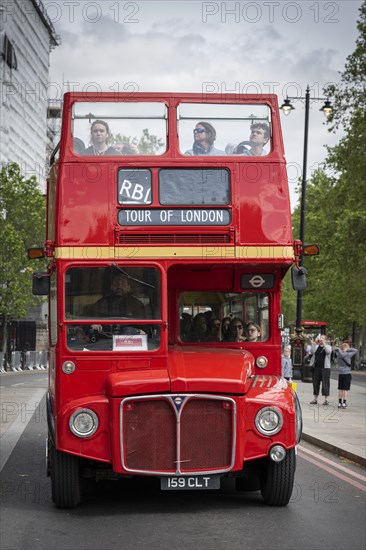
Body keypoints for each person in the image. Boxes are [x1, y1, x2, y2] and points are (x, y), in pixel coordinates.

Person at [309, 335, 332, 406]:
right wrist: (315, 343)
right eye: (320, 338)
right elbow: (312, 351)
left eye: (323, 338)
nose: (321, 339)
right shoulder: (316, 346)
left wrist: (324, 344)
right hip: (316, 368)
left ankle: (326, 400)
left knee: (325, 383)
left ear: (325, 340)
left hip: (325, 368)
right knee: (315, 383)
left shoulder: (328, 346)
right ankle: (315, 399)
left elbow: (328, 352)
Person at [334, 342, 357, 408]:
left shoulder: (338, 354)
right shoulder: (348, 354)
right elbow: (355, 350)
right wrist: (347, 350)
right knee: (345, 389)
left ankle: (339, 403)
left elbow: (335, 349)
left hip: (340, 373)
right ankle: (344, 403)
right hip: (347, 373)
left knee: (340, 388)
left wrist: (339, 349)